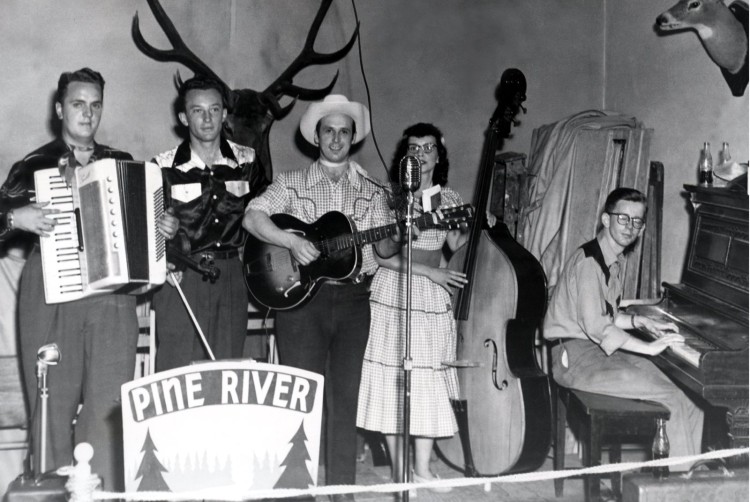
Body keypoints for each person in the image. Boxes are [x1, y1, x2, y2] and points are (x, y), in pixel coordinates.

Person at [0, 68, 178, 490]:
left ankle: (102, 495)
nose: (88, 113)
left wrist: (164, 225)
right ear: (60, 108)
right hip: (49, 291)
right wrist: (14, 216)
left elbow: (154, 229)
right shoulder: (32, 165)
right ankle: (48, 493)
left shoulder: (122, 163)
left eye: (95, 104)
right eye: (78, 104)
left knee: (108, 406)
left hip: (112, 295)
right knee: (51, 404)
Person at [243, 94, 401, 500]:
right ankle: (298, 490)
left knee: (345, 399)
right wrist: (289, 243)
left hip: (354, 303)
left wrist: (399, 229)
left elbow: (384, 252)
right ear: (317, 136)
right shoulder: (290, 184)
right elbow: (252, 217)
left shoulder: (373, 189)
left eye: (343, 131)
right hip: (301, 302)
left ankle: (342, 490)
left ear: (353, 138)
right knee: (301, 396)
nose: (335, 138)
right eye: (328, 130)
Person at [544, 187, 704, 466]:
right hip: (574, 358)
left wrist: (637, 320)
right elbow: (598, 328)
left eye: (637, 221)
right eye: (623, 218)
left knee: (691, 397)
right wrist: (649, 348)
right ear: (606, 220)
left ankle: (687, 480)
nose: (630, 227)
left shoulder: (611, 260)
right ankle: (679, 491)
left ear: (642, 229)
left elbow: (606, 314)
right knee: (672, 399)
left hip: (595, 352)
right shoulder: (589, 264)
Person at [356, 123, 468, 488]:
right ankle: (400, 472)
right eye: (414, 147)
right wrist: (429, 273)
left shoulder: (446, 198)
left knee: (428, 380)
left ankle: (423, 468)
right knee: (392, 378)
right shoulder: (387, 197)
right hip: (395, 288)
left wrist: (475, 224)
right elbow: (382, 257)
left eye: (428, 147)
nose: (421, 153)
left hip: (433, 297)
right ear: (405, 155)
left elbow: (453, 245)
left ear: (439, 154)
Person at [150, 75, 268, 371]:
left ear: (225, 115)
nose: (206, 119)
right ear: (183, 117)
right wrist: (160, 249)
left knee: (225, 371)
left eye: (214, 110)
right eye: (197, 111)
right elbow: (143, 232)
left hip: (231, 277)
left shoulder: (248, 162)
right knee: (175, 374)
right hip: (180, 279)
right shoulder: (160, 167)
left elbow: (267, 215)